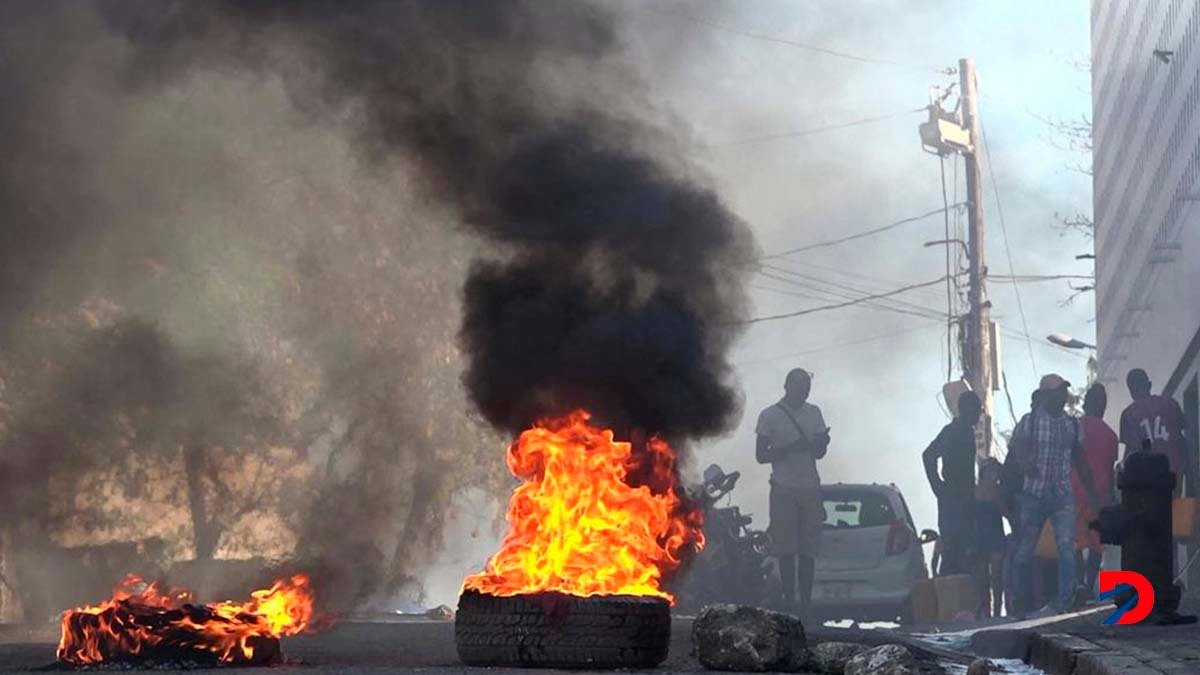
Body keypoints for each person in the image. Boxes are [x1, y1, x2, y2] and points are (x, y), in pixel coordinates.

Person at [1010, 374, 1099, 616]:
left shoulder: (1071, 425)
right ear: (1046, 395)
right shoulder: (1029, 422)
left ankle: (1065, 600)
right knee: (1026, 548)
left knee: (1066, 547)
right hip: (1034, 494)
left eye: (1064, 391)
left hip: (1061, 494)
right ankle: (1021, 601)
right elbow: (1016, 448)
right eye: (1058, 392)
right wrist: (1024, 463)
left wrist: (1092, 493)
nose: (1063, 396)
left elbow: (1079, 459)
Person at [756, 368, 830, 617]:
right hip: (783, 487)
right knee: (786, 549)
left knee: (808, 550)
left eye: (807, 389)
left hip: (810, 486)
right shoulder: (769, 416)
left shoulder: (814, 412)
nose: (805, 393)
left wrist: (821, 443)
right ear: (788, 386)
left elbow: (819, 453)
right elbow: (761, 455)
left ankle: (805, 604)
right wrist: (789, 448)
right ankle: (789, 602)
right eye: (801, 388)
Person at [922, 390, 982, 576]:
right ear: (966, 409)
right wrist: (938, 487)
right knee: (953, 550)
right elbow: (928, 455)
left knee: (966, 551)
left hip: (964, 498)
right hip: (953, 499)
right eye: (976, 409)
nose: (979, 414)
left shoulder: (966, 432)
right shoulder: (953, 431)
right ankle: (951, 595)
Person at [1119, 368, 1193, 495]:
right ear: (1149, 385)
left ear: (1131, 391)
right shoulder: (1170, 404)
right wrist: (1191, 478)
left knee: (1154, 513)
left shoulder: (1128, 414)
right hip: (1173, 474)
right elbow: (1185, 439)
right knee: (1173, 511)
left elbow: (1132, 451)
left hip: (1147, 480)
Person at [1073, 383, 1118, 592]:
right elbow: (1110, 470)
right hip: (1098, 497)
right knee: (1096, 545)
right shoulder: (1110, 435)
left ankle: (1079, 584)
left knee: (1074, 543)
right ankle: (1089, 585)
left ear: (1084, 404)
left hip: (1073, 493)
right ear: (1103, 407)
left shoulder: (1074, 427)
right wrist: (1109, 500)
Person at [975, 457, 1006, 617]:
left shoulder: (998, 490)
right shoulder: (975, 490)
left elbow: (1004, 511)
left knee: (997, 575)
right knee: (983, 577)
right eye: (992, 471)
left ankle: (997, 611)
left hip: (995, 535)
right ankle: (986, 610)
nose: (995, 474)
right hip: (981, 537)